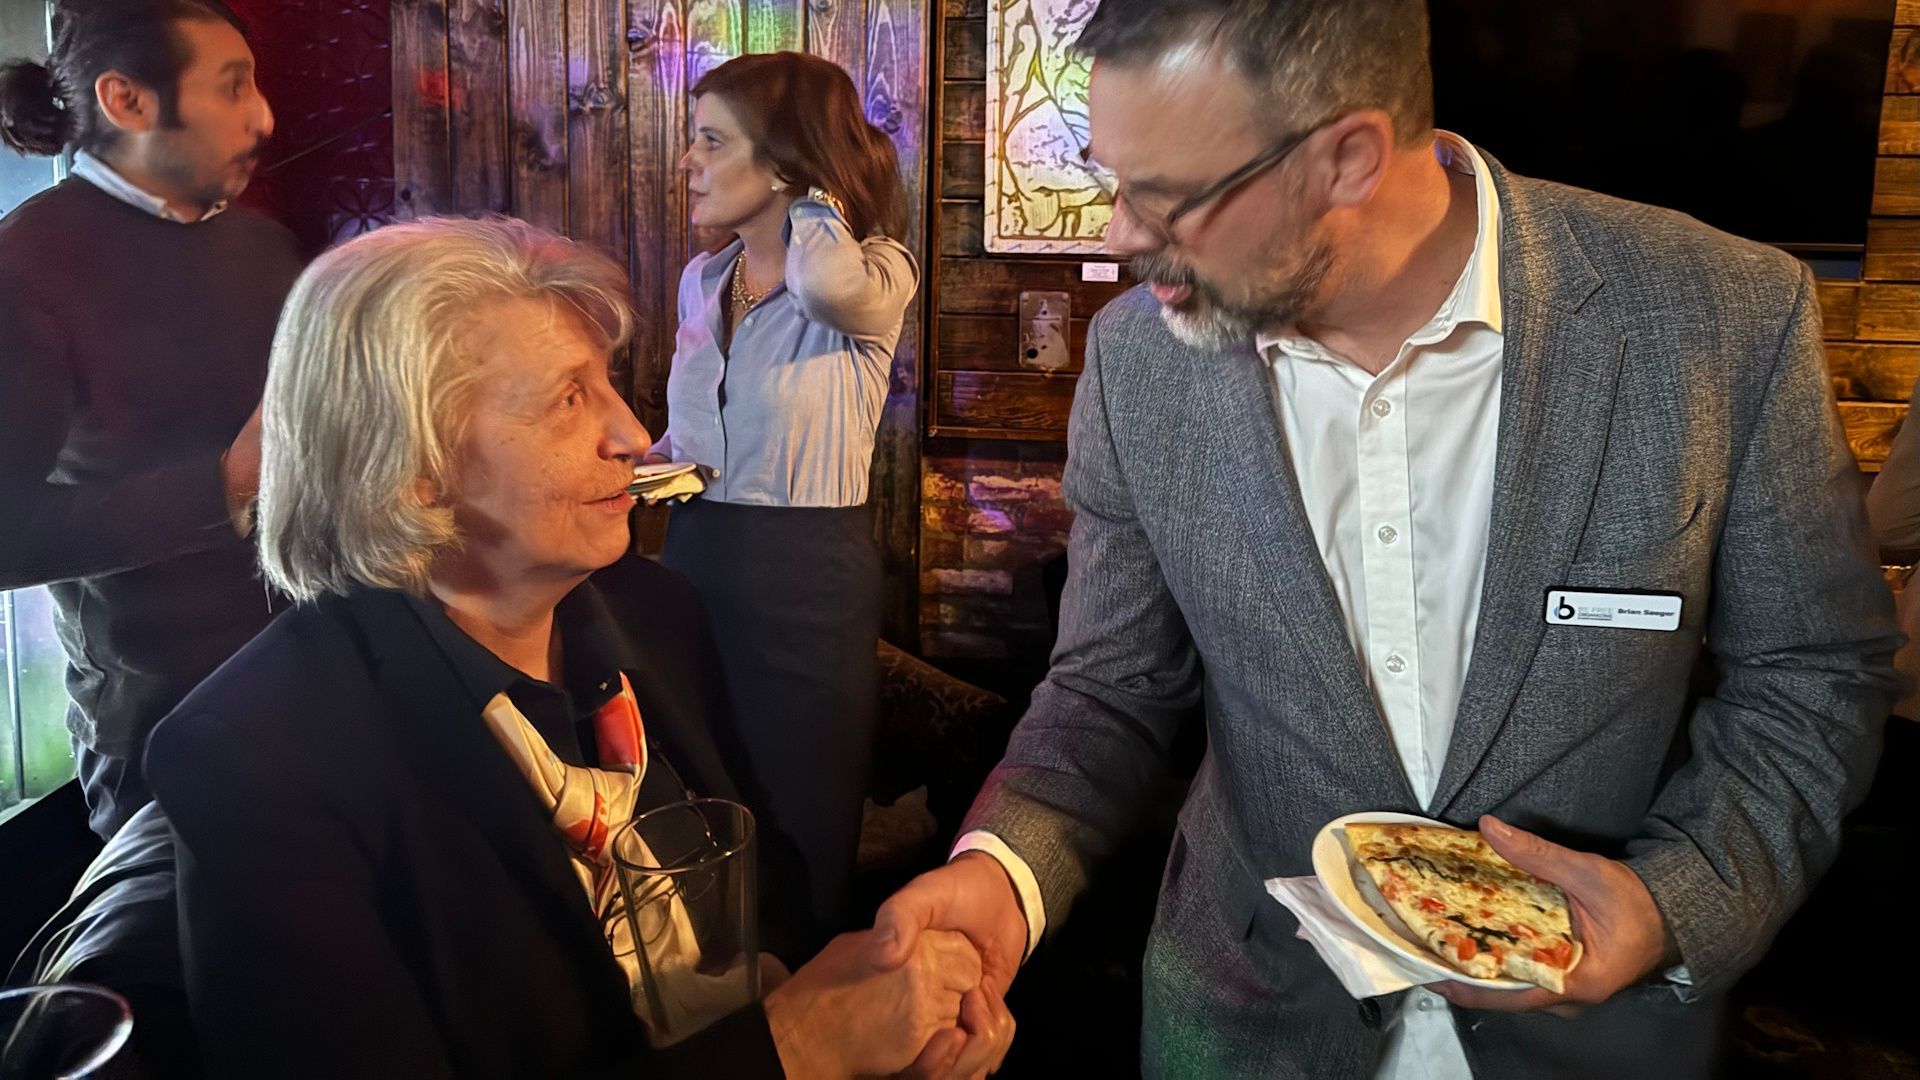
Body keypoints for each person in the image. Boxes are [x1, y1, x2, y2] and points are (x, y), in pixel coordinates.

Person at [871, 1, 1900, 1077]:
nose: (1120, 235)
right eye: (1108, 179)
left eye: (1165, 198)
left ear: (1348, 158)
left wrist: (1673, 903)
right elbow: (1108, 688)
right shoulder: (1141, 363)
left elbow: (1814, 673)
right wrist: (1002, 874)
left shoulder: (1722, 318)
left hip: (1596, 1048)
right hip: (1246, 1028)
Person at [144, 216, 1011, 1079]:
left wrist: (891, 1012)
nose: (634, 434)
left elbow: (768, 896)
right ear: (410, 465)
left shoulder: (652, 611)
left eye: (609, 385)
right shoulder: (255, 758)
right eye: (568, 399)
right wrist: (795, 1047)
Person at [0, 0, 297, 838]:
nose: (264, 116)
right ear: (128, 102)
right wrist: (224, 484)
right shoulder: (26, 267)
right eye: (232, 88)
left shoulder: (262, 247)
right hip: (160, 725)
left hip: (310, 669)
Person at [652, 50, 919, 945]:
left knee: (799, 818)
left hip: (805, 580)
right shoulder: (702, 279)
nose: (686, 160)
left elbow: (824, 282)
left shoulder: (875, 273)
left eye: (710, 140)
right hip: (691, 563)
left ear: (783, 161)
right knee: (700, 800)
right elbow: (691, 440)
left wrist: (812, 199)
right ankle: (716, 1004)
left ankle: (809, 1011)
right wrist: (633, 468)